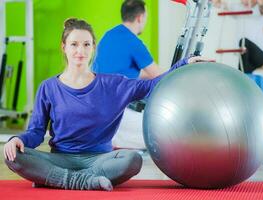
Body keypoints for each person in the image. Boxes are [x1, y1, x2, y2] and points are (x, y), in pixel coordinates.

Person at [3, 18, 204, 191]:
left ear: (93, 47)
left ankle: (56, 180)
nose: (80, 51)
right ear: (63, 47)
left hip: (99, 160)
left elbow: (151, 85)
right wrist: (17, 139)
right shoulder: (48, 87)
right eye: (74, 44)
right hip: (60, 158)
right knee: (12, 156)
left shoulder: (113, 84)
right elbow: (36, 132)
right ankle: (83, 182)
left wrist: (183, 64)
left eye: (86, 44)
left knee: (133, 159)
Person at [92, 0, 163, 79]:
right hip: (116, 90)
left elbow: (120, 71)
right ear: (140, 18)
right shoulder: (133, 42)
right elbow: (159, 75)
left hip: (98, 88)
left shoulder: (108, 35)